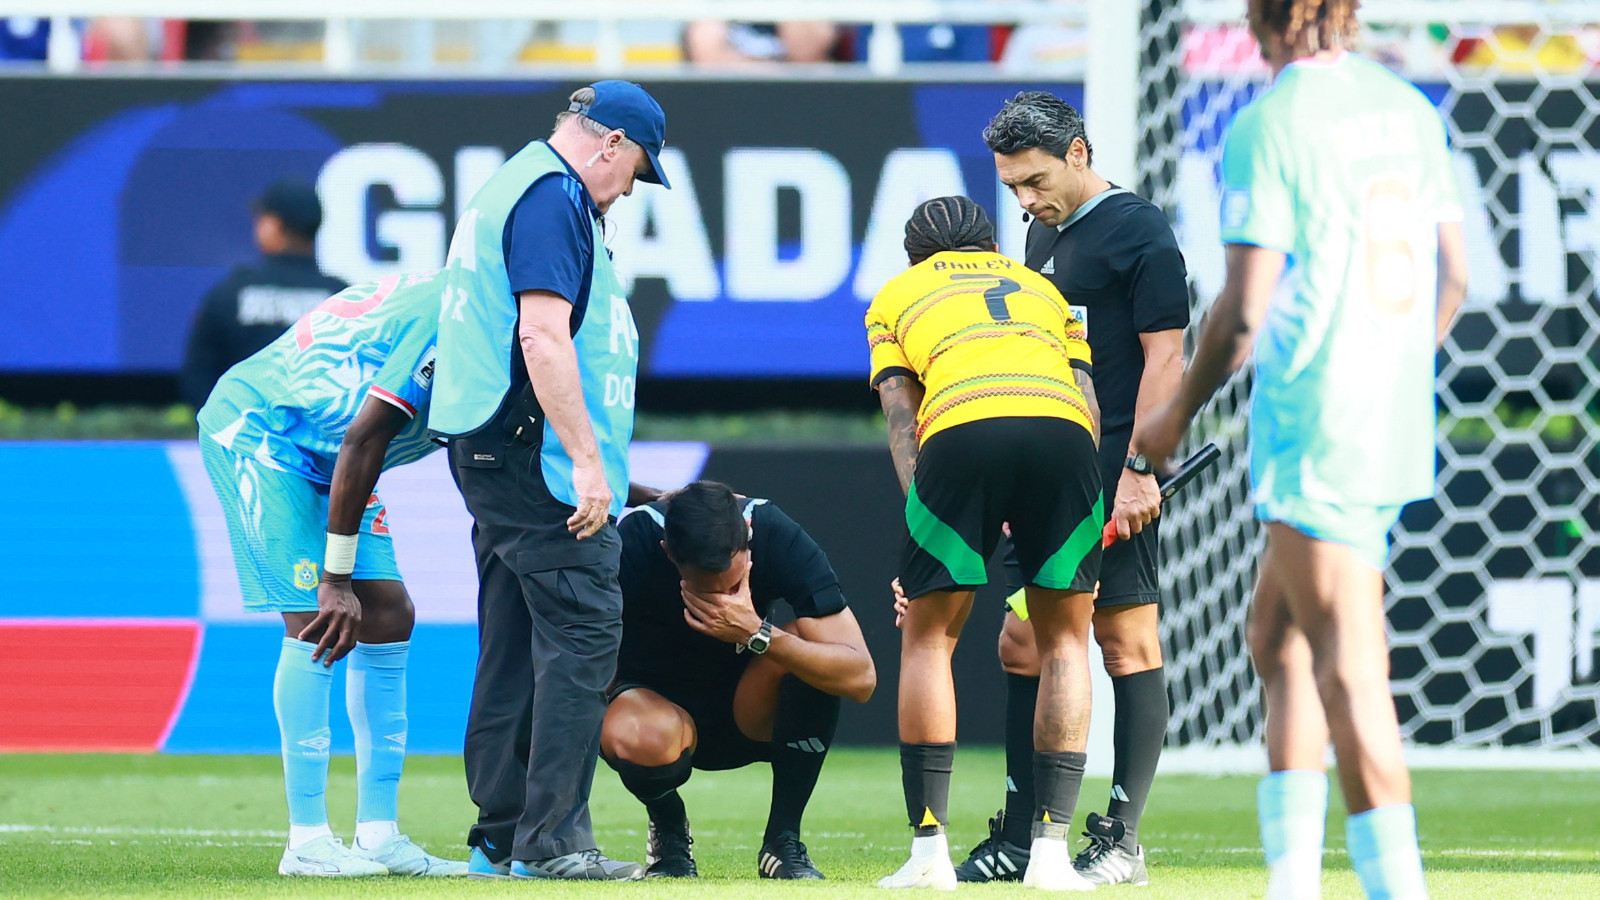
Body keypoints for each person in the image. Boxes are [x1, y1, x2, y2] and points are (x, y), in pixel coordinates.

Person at [1133, 2, 1469, 898]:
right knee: (1274, 634)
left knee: (1350, 668)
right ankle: (1292, 882)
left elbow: (1245, 308)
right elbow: (1456, 273)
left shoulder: (1271, 122)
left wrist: (1173, 416)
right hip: (1391, 416)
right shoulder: (1407, 109)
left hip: (1318, 419)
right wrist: (1394, 366)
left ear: (1262, 18)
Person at [937, 90, 1190, 887]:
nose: (1023, 199)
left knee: (1125, 643)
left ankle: (1119, 837)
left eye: (1034, 180)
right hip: (1051, 474)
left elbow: (1167, 360)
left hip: (1114, 474)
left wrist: (1141, 469)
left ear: (1079, 152)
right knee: (1024, 644)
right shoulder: (1042, 231)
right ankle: (1021, 833)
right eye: (1011, 186)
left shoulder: (1140, 229)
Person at [427, 80, 670, 882]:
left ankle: (501, 836)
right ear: (611, 144)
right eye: (636, 169)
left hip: (494, 448)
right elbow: (541, 332)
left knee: (512, 643)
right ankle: (553, 843)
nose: (630, 188)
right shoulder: (553, 198)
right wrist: (589, 461)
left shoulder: (514, 184)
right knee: (581, 638)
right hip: (539, 459)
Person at [868, 196, 1104, 892]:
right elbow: (1085, 401)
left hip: (960, 430)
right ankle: (1053, 856)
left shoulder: (896, 296)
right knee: (1065, 641)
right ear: (991, 245)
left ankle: (929, 854)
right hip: (1062, 435)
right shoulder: (1043, 288)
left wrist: (927, 510)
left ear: (917, 255)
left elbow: (903, 415)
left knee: (929, 638)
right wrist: (1067, 493)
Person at [196, 270, 464, 878]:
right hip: (268, 435)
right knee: (320, 618)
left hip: (329, 448)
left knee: (390, 614)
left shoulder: (486, 294)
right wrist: (336, 577)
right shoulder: (458, 318)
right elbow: (367, 434)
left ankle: (378, 834)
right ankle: (308, 840)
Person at [600, 480, 876, 880]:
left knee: (808, 648)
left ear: (748, 540)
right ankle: (670, 832)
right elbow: (589, 663)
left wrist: (757, 634)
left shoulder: (776, 533)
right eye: (701, 589)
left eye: (732, 586)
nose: (722, 603)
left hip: (748, 710)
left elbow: (861, 677)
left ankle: (783, 841)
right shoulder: (637, 541)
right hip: (658, 714)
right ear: (668, 553)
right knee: (640, 732)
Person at [181, 180, 347, 409]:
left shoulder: (231, 293)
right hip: (322, 440)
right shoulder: (343, 298)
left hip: (243, 435)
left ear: (273, 224)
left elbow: (199, 373)